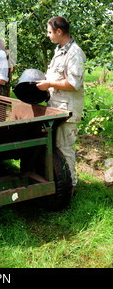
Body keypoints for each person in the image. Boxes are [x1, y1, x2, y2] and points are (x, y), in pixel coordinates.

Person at [36, 16, 86, 192]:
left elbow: (73, 83)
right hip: (56, 107)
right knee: (56, 148)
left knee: (65, 149)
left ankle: (70, 187)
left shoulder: (75, 53)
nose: (48, 36)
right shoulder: (60, 50)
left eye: (50, 32)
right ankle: (59, 183)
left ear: (59, 32)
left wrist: (49, 84)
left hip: (68, 109)